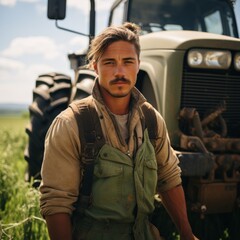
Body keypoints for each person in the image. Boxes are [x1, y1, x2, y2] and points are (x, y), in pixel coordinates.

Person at [40, 22, 198, 240]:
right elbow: (57, 202)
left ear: (138, 65)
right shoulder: (71, 124)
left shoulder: (152, 120)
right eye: (109, 62)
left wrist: (187, 234)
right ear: (95, 67)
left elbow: (169, 178)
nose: (120, 72)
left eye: (127, 62)